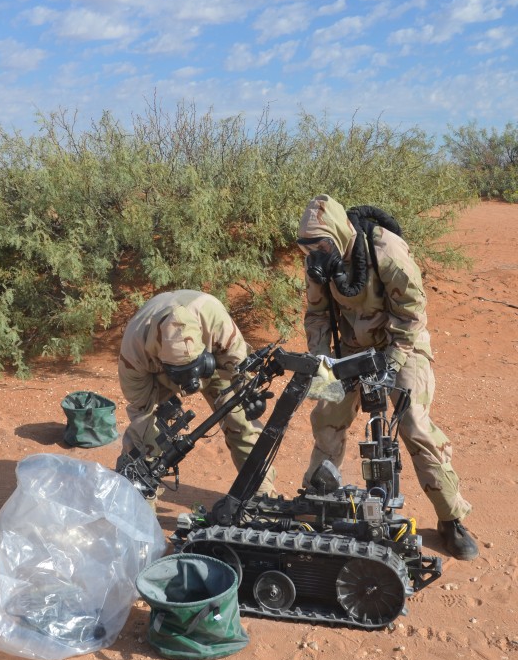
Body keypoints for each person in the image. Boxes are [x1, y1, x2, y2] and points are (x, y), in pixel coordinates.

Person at [296, 194, 478, 560]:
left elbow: (412, 315)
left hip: (403, 344)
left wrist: (392, 363)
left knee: (413, 424)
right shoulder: (320, 263)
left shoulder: (387, 251)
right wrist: (324, 363)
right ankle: (318, 501)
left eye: (320, 243)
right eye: (308, 246)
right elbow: (316, 317)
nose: (314, 251)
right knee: (326, 416)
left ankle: (452, 518)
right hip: (350, 346)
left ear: (337, 231)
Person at [116, 289, 276, 499]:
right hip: (160, 376)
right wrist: (153, 434)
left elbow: (240, 367)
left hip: (214, 364)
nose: (192, 386)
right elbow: (141, 413)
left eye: (192, 371)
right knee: (145, 438)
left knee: (243, 424)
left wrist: (250, 393)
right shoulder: (134, 354)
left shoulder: (216, 322)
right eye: (182, 374)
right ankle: (135, 510)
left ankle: (262, 500)